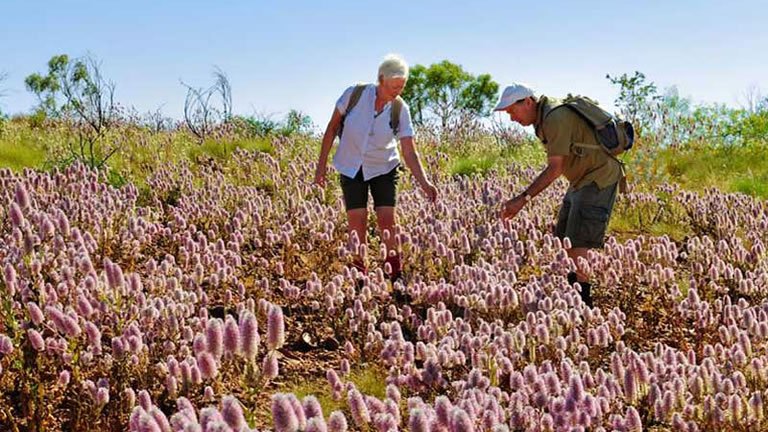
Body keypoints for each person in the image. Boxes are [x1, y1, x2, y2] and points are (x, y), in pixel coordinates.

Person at [496, 83, 624, 307]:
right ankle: (571, 293)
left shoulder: (555, 117)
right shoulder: (544, 120)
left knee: (578, 240)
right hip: (580, 180)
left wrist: (522, 199)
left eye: (512, 111)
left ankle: (583, 302)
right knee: (564, 235)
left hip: (598, 177)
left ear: (527, 102)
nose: (512, 119)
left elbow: (555, 168)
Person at [314, 54, 437, 282]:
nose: (397, 91)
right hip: (352, 166)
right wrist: (320, 167)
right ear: (381, 79)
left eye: (402, 86)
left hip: (384, 167)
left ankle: (395, 273)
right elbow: (331, 129)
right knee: (357, 221)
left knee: (387, 219)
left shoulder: (401, 109)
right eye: (393, 86)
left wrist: (425, 182)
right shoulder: (354, 95)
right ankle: (360, 274)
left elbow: (409, 151)